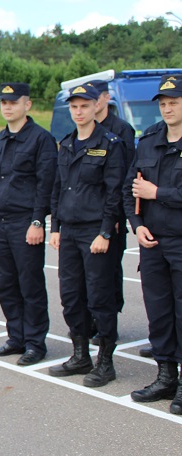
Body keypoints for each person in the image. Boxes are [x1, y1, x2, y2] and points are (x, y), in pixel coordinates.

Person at [47, 83, 125, 387]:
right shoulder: (67, 143)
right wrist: (55, 228)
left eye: (84, 106)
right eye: (74, 107)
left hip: (95, 233)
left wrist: (105, 231)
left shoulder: (110, 143)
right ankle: (80, 355)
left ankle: (106, 362)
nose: (78, 112)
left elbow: (114, 192)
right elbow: (58, 188)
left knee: (100, 298)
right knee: (71, 296)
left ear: (97, 106)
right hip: (69, 232)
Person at [0, 82, 57, 366]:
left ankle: (35, 343)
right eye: (3, 102)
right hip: (1, 223)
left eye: (13, 102)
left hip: (25, 223)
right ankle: (16, 337)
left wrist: (38, 221)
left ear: (27, 104)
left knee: (30, 285)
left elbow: (46, 184)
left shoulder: (41, 139)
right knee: (7, 285)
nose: (7, 107)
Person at [124, 74, 182, 413]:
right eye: (163, 103)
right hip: (153, 243)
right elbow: (130, 187)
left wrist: (157, 193)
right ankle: (165, 376)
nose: (167, 108)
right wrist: (137, 225)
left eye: (174, 102)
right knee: (159, 313)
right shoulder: (148, 139)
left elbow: (148, 190)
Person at [88, 79, 143, 355]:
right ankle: (90, 321)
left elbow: (125, 176)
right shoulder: (84, 130)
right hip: (87, 215)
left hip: (111, 216)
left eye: (94, 98)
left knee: (108, 272)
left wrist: (119, 216)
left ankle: (107, 324)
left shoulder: (121, 130)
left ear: (105, 99)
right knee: (87, 276)